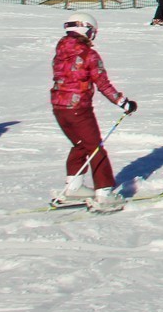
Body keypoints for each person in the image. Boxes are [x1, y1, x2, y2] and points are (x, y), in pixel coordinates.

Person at [50, 12, 138, 210]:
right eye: (92, 32)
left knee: (80, 145)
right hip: (79, 109)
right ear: (86, 30)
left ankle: (74, 187)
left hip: (59, 108)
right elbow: (103, 84)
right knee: (95, 148)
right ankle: (104, 192)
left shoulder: (60, 51)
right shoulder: (88, 54)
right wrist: (124, 103)